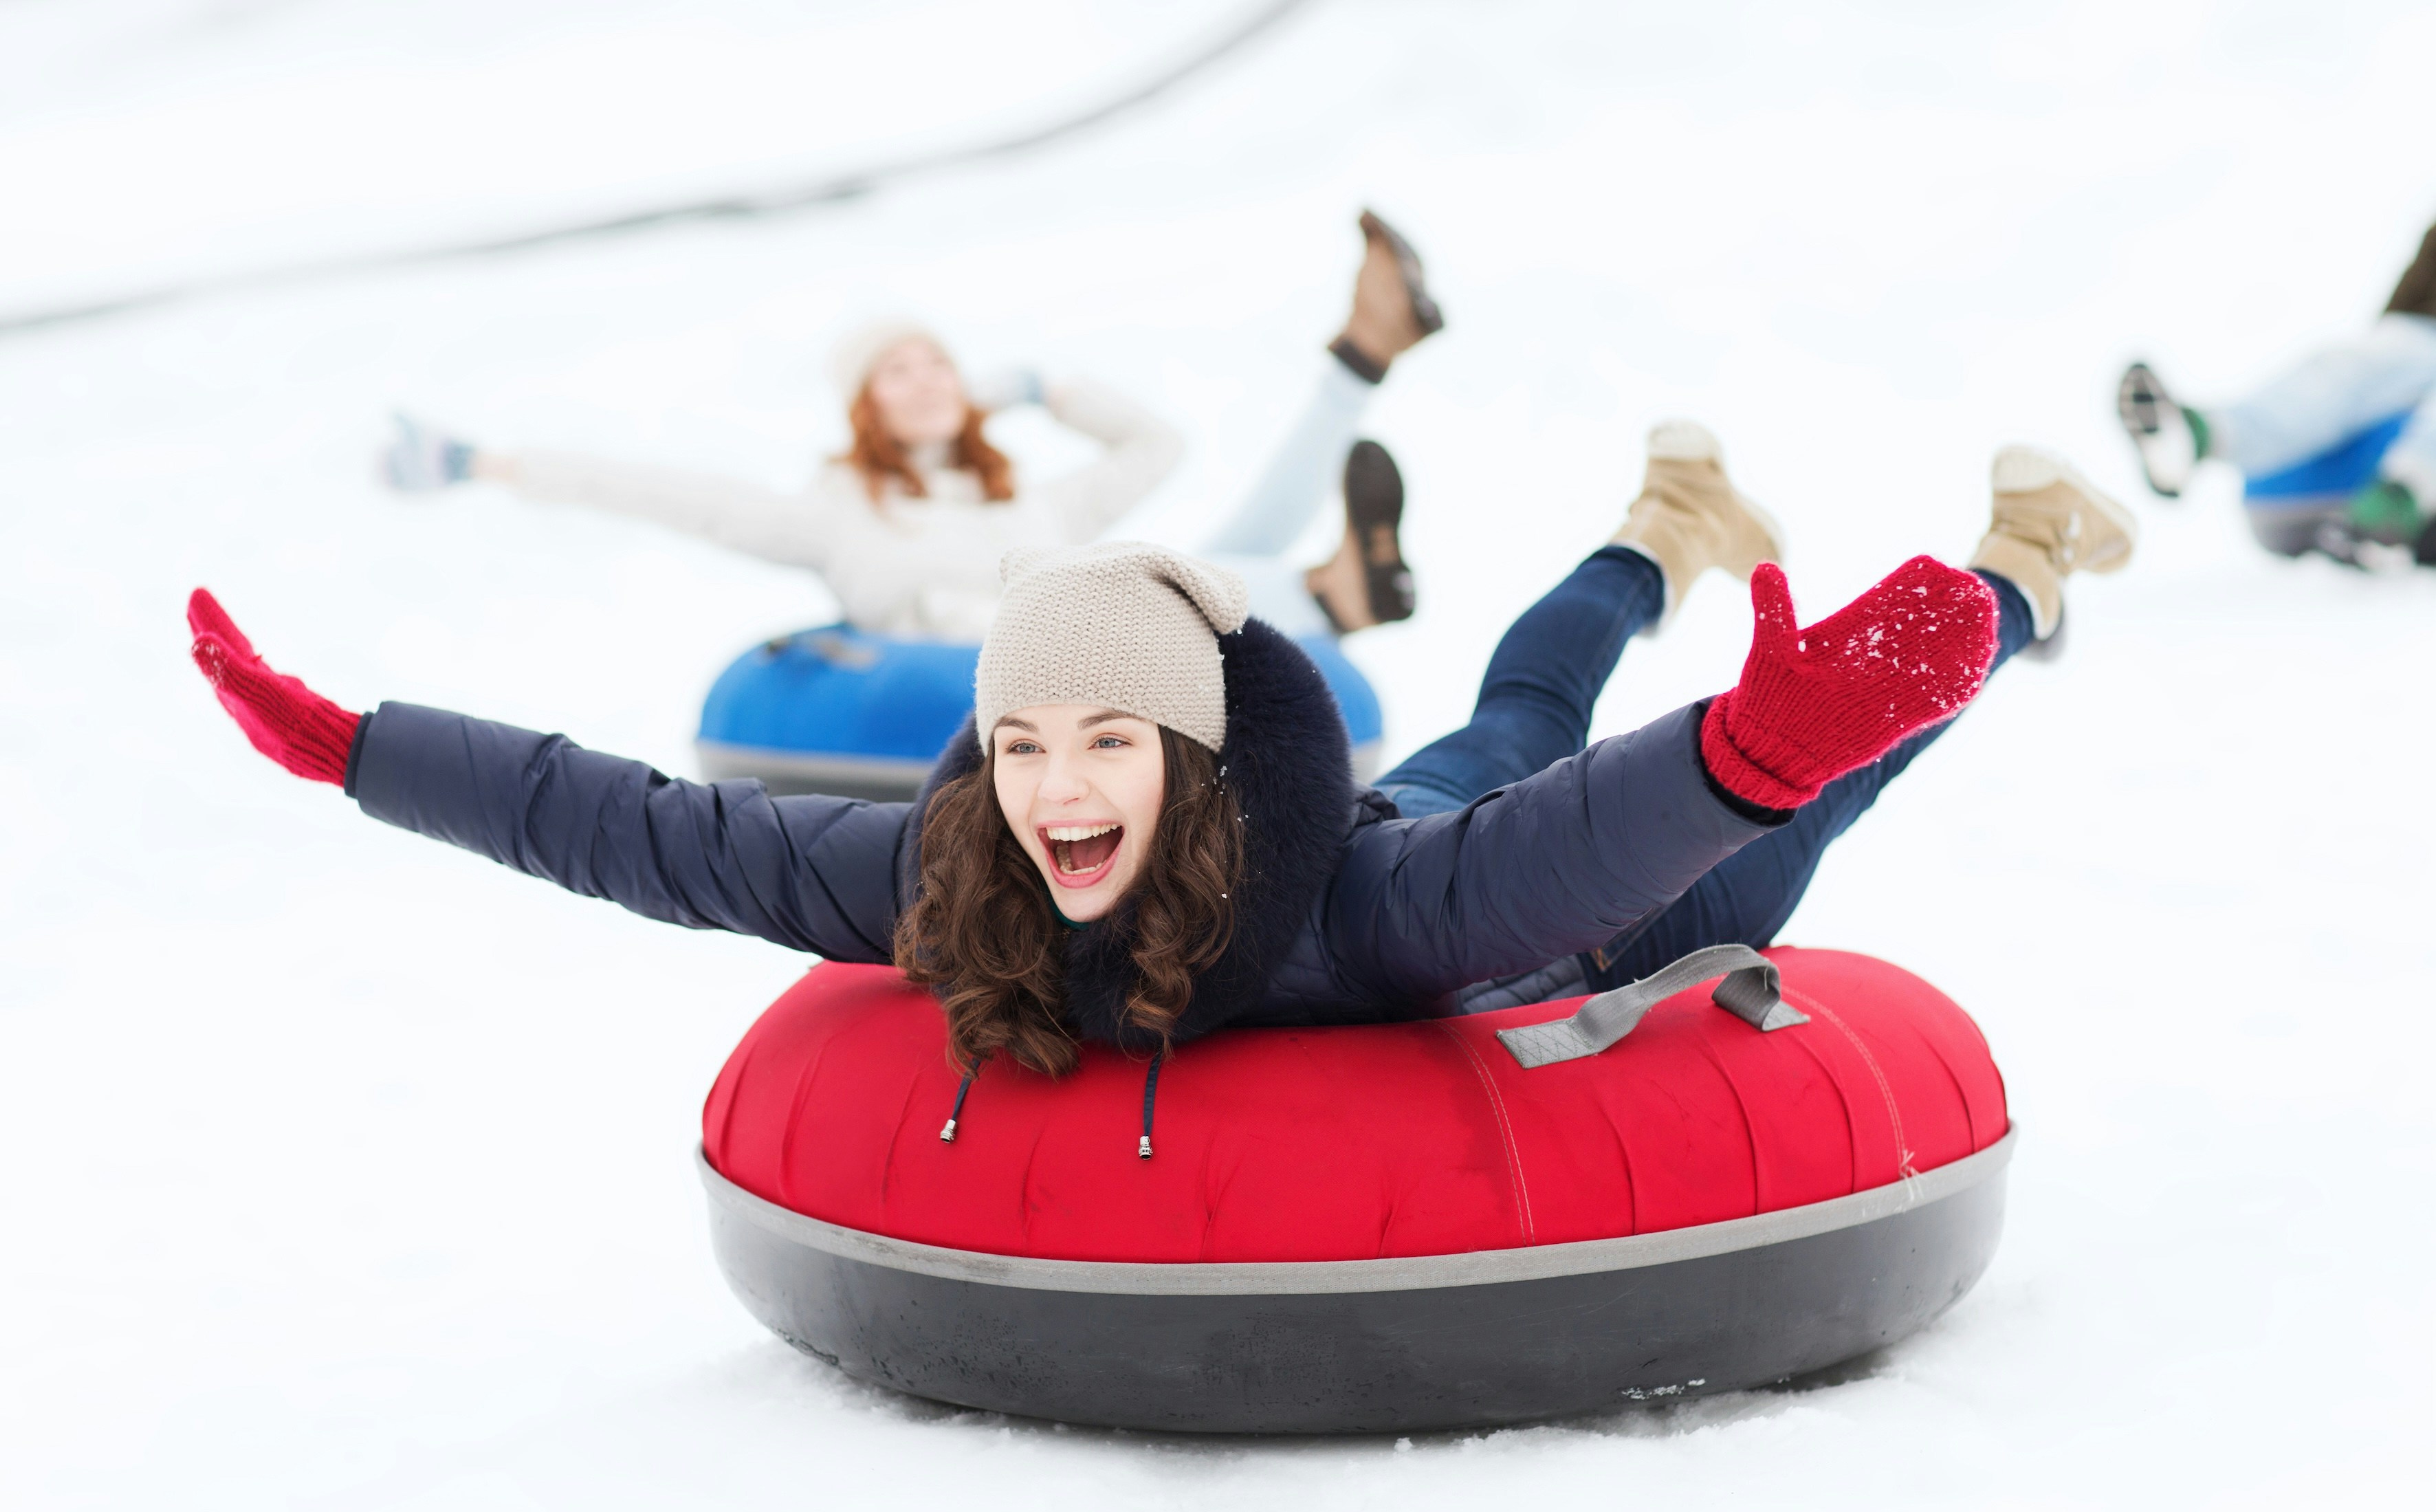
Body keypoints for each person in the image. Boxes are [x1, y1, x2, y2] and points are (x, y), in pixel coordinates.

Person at [189, 424, 2132, 1135]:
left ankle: (2015, 567)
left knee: (1786, 754)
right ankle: (1670, 514)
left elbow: (1543, 867)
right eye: (1024, 744)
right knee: (1521, 701)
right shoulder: (954, 876)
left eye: (1106, 742)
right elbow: (655, 831)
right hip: (1422, 814)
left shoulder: (1356, 910)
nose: (1057, 787)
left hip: (1603, 907)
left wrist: (1743, 758)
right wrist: (361, 750)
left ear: (1187, 762)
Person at [382, 211, 1444, 642]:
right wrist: (489, 462)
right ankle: (1329, 587)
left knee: (1234, 548)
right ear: (867, 405)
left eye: (938, 361)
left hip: (1113, 613)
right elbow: (673, 494)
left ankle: (1364, 352)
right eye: (897, 369)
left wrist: (1041, 386)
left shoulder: (1024, 496)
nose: (926, 378)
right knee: (1203, 572)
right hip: (1030, 658)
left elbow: (1156, 446)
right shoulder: (836, 510)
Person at [2118, 219, 2436, 563]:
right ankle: (2203, 435)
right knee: (2380, 351)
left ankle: (2406, 495)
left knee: (2393, 348)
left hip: (2410, 493)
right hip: (2301, 499)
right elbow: (2394, 326)